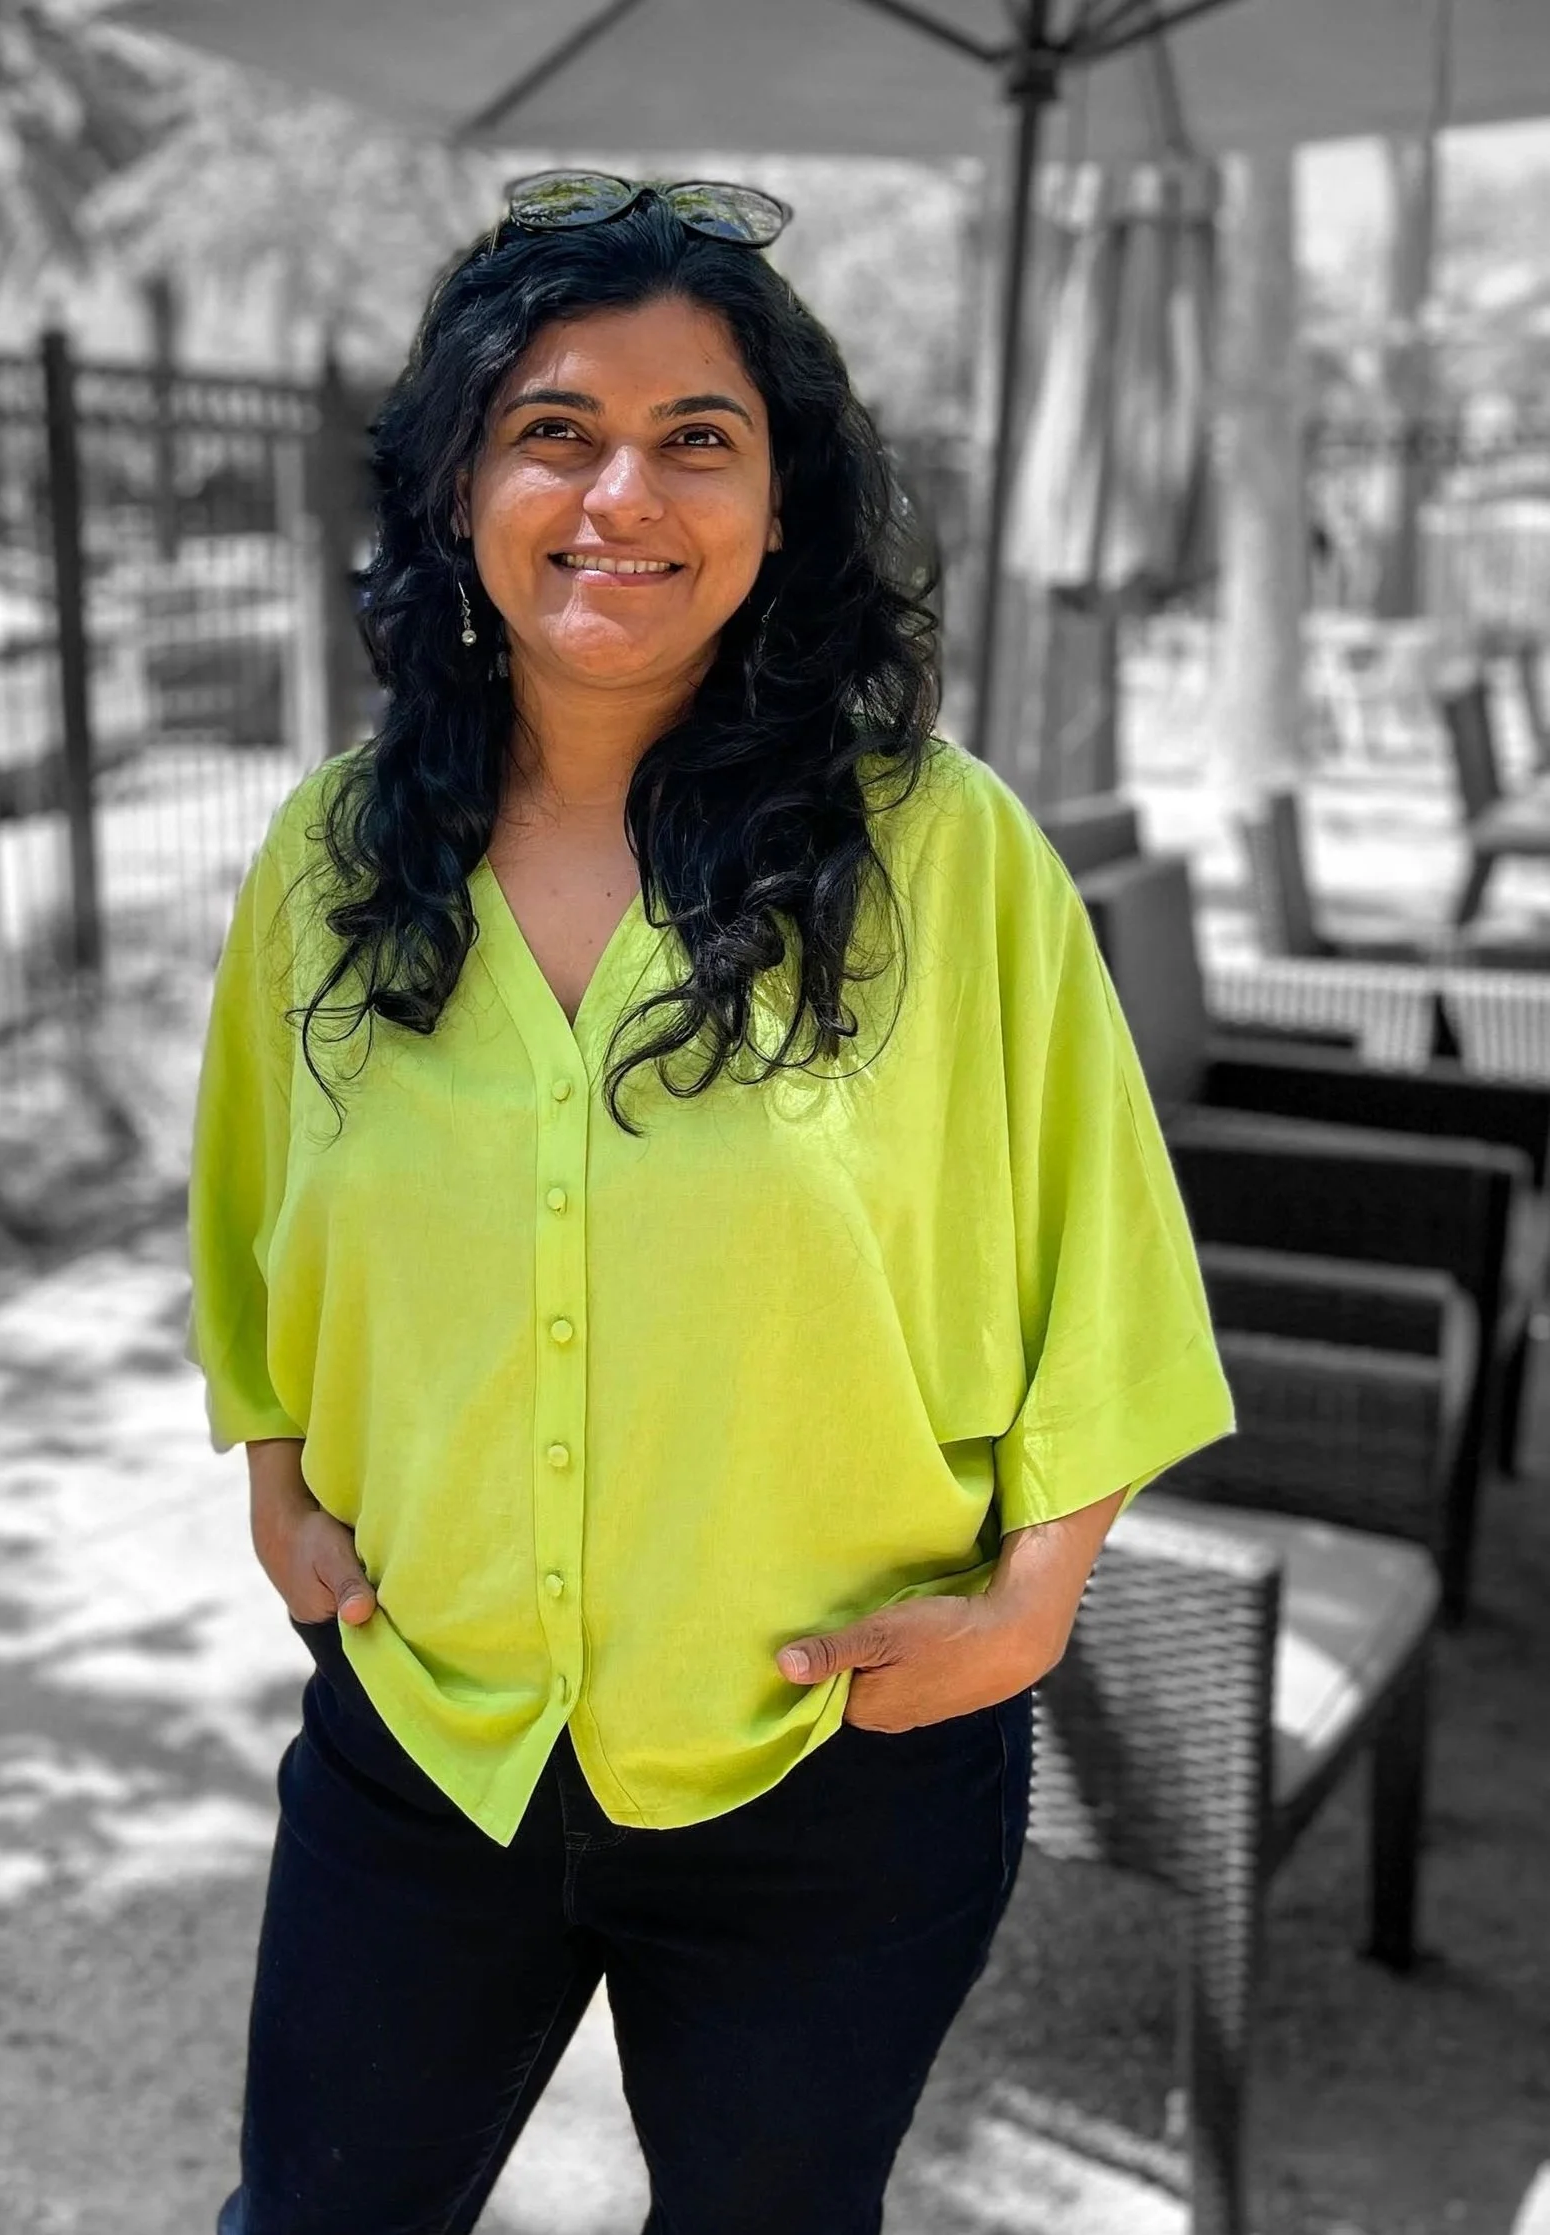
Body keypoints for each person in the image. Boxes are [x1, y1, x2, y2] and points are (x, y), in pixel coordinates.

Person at [187, 170, 1235, 2235]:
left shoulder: (943, 851)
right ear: (460, 486)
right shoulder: (328, 856)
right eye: (553, 429)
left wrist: (1028, 1606)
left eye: (696, 437)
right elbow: (250, 1214)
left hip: (828, 1761)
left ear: (776, 504)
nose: (622, 495)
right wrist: (275, 1476)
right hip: (429, 1733)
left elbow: (1103, 1267)